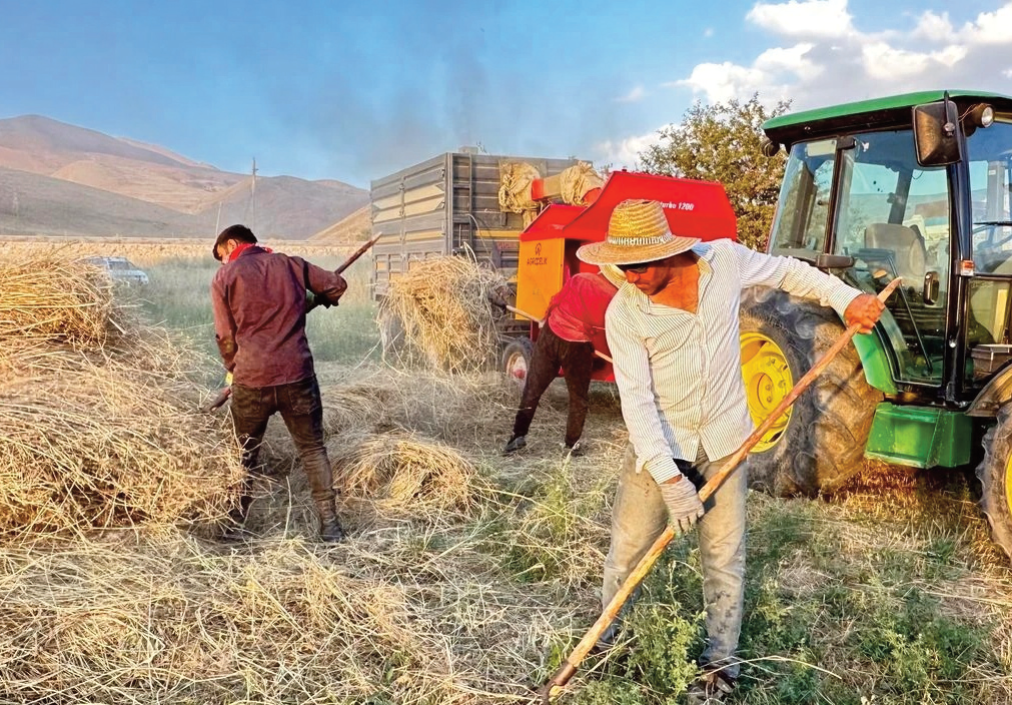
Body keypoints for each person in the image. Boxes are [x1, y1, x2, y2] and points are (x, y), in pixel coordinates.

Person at [576, 200, 884, 703]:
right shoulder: (625, 312)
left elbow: (789, 273)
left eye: (641, 266)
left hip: (723, 444)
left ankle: (720, 667)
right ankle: (608, 645)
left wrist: (846, 298)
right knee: (627, 553)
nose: (630, 277)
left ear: (669, 252)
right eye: (622, 267)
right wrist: (672, 480)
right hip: (660, 449)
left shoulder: (723, 261)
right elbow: (635, 400)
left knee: (724, 558)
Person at [210, 224, 348, 543]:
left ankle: (234, 527)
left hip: (251, 379)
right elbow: (337, 285)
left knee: (244, 454)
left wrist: (234, 369)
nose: (223, 263)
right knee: (313, 450)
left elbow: (225, 337)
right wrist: (319, 297)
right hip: (297, 375)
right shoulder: (291, 264)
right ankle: (330, 527)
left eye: (222, 256)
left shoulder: (225, 278)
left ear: (233, 244)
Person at [502, 265, 623, 456]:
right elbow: (604, 330)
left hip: (551, 333)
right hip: (578, 345)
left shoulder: (580, 278)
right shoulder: (615, 299)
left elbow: (555, 301)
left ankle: (517, 436)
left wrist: (546, 319)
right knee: (578, 398)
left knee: (532, 389)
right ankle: (571, 444)